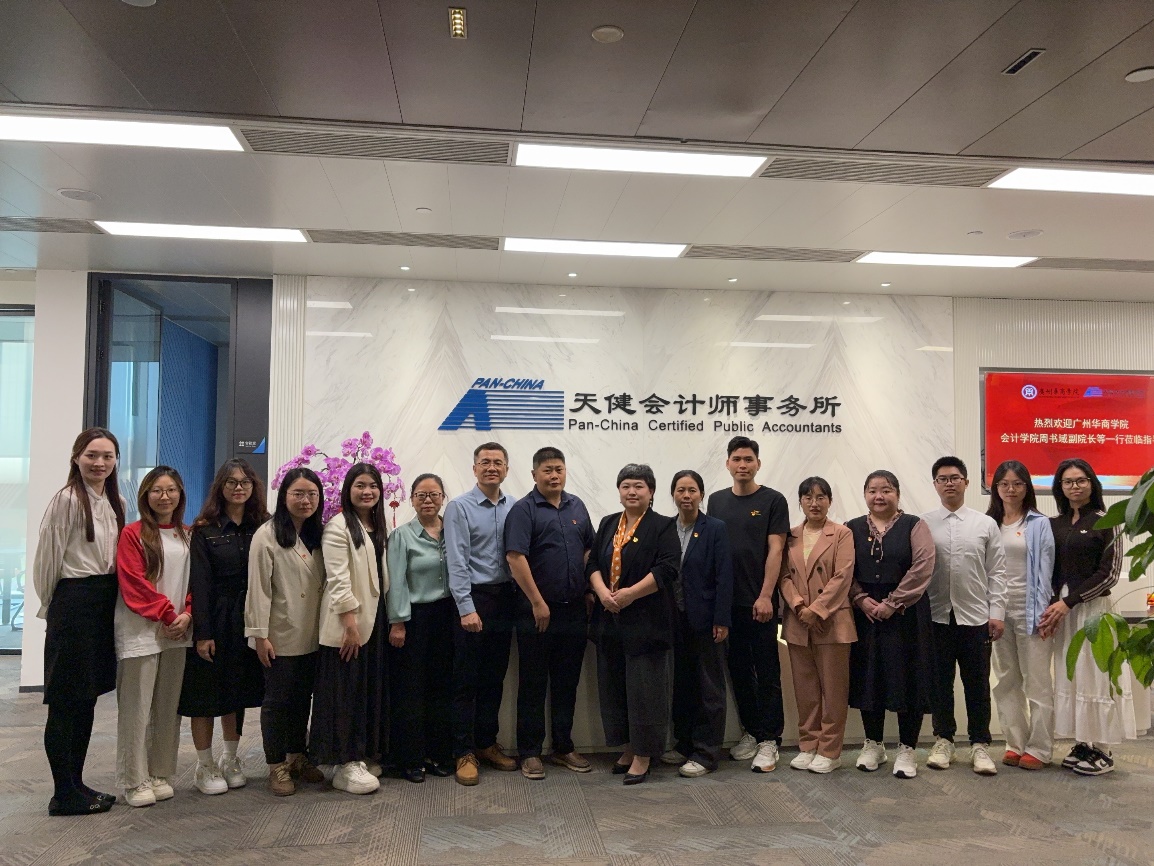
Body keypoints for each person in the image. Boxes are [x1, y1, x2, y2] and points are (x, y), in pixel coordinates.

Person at [34, 427, 126, 816]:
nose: (99, 463)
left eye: (107, 456)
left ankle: (77, 783)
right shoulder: (67, 500)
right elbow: (47, 559)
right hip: (73, 602)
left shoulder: (117, 502)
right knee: (65, 700)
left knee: (86, 698)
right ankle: (62, 793)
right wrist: (51, 605)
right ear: (76, 458)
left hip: (103, 602)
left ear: (116, 461)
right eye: (91, 455)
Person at [504, 446, 595, 780]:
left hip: (574, 611)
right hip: (537, 612)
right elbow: (515, 557)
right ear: (534, 475)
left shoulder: (577, 506)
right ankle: (529, 752)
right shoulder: (523, 510)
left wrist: (589, 590)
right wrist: (537, 602)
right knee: (533, 682)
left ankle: (562, 746)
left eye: (559, 469)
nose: (554, 475)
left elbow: (589, 549)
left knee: (567, 681)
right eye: (547, 470)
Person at [178, 459, 269, 796]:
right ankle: (204, 764)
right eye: (231, 482)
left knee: (236, 691)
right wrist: (203, 633)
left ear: (253, 486)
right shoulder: (205, 529)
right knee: (204, 694)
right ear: (221, 487)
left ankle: (231, 758)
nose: (238, 487)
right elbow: (199, 584)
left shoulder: (263, 526)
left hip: (248, 618)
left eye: (245, 482)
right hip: (215, 617)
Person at [1040, 458, 1135, 776]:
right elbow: (1048, 569)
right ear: (1060, 487)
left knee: (1096, 675)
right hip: (1062, 612)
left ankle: (1103, 749)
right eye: (1068, 481)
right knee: (1071, 675)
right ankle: (1083, 742)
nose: (1075, 486)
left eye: (1081, 480)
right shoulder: (1055, 524)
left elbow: (1109, 574)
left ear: (1092, 483)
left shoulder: (1107, 521)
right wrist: (1053, 606)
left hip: (1094, 612)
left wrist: (1068, 602)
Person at [587, 463, 681, 785]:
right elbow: (593, 563)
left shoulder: (663, 525)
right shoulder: (608, 523)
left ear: (651, 492)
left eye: (639, 486)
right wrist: (602, 593)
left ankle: (644, 755)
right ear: (619, 490)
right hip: (610, 619)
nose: (632, 491)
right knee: (615, 688)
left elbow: (668, 569)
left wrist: (630, 594)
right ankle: (628, 747)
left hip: (647, 622)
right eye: (626, 485)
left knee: (646, 691)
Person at [705, 437, 789, 772]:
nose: (743, 465)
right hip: (728, 605)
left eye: (749, 459)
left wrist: (766, 595)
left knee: (767, 671)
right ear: (727, 464)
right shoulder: (716, 501)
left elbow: (776, 550)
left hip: (760, 602)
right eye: (737, 459)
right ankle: (752, 731)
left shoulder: (773, 500)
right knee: (738, 671)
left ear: (758, 463)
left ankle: (770, 739)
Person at [847, 470, 936, 779]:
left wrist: (893, 602)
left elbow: (923, 566)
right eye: (872, 490)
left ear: (897, 494)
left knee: (908, 677)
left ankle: (907, 748)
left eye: (886, 490)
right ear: (865, 495)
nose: (879, 496)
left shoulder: (915, 525)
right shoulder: (852, 527)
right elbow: (843, 569)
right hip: (866, 614)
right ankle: (873, 744)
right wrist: (860, 598)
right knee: (869, 676)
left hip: (906, 614)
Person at [922, 456, 1007, 776]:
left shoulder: (985, 524)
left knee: (977, 684)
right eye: (942, 479)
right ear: (935, 485)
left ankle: (980, 744)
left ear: (966, 483)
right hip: (936, 617)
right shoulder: (923, 524)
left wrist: (996, 613)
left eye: (955, 478)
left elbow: (997, 572)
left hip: (976, 618)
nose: (949, 483)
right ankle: (943, 740)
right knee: (939, 684)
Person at [244, 467, 327, 796]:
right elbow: (258, 589)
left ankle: (297, 755)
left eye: (312, 494)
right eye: (298, 494)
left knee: (303, 698)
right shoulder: (267, 535)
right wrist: (259, 634)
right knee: (277, 701)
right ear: (284, 496)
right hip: (279, 632)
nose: (306, 500)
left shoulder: (319, 534)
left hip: (313, 632)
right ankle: (276, 764)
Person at [114, 465, 193, 807]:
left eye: (171, 490)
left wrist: (187, 613)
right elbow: (133, 582)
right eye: (157, 490)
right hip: (141, 631)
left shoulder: (187, 535)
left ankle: (161, 772)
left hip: (178, 631)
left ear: (180, 495)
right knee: (136, 708)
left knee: (167, 706)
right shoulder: (132, 534)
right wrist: (168, 613)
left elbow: (196, 581)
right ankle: (134, 780)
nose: (165, 496)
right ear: (145, 495)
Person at [311, 463, 390, 795]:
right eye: (360, 485)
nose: (367, 491)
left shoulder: (376, 524)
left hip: (374, 619)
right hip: (350, 623)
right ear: (348, 489)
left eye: (373, 485)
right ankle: (344, 763)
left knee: (364, 690)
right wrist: (349, 624)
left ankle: (360, 754)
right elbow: (338, 580)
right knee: (343, 692)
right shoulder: (338, 526)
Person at [444, 442, 518, 785]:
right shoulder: (459, 507)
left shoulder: (514, 506)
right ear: (474, 468)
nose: (491, 467)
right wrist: (466, 608)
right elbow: (457, 561)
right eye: (485, 462)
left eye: (498, 462)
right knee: (465, 681)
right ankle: (463, 751)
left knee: (494, 677)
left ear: (506, 469)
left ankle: (487, 743)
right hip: (474, 600)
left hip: (505, 600)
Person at [780, 477, 856, 774]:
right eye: (808, 497)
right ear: (800, 501)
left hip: (833, 621)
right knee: (805, 690)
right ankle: (808, 744)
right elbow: (784, 576)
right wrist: (799, 605)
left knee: (834, 691)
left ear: (829, 501)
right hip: (798, 621)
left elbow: (843, 576)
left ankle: (830, 750)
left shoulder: (842, 534)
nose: (814, 503)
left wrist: (817, 610)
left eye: (821, 497)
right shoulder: (790, 536)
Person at [986, 460, 1056, 771]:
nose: (1010, 489)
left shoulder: (1039, 524)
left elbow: (1046, 571)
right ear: (996, 488)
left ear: (1026, 487)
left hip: (1031, 610)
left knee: (1037, 682)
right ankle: (1015, 743)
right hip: (998, 611)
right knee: (1005, 680)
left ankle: (1039, 748)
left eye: (1017, 484)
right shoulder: (989, 523)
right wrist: (991, 611)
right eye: (1004, 484)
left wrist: (1042, 612)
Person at [664, 469, 733, 778]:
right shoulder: (666, 528)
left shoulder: (715, 528)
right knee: (682, 684)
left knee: (709, 688)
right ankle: (685, 743)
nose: (686, 496)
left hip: (706, 620)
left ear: (701, 495)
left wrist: (721, 619)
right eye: (681, 490)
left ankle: (706, 753)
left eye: (692, 490)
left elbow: (724, 576)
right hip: (674, 620)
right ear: (673, 495)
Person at [387, 473, 455, 783]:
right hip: (414, 619)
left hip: (447, 616)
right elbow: (397, 581)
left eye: (434, 494)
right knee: (411, 689)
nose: (428, 500)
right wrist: (398, 622)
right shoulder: (401, 536)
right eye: (421, 495)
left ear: (443, 499)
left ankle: (438, 754)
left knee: (441, 687)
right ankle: (410, 759)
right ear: (412, 500)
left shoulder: (452, 533)